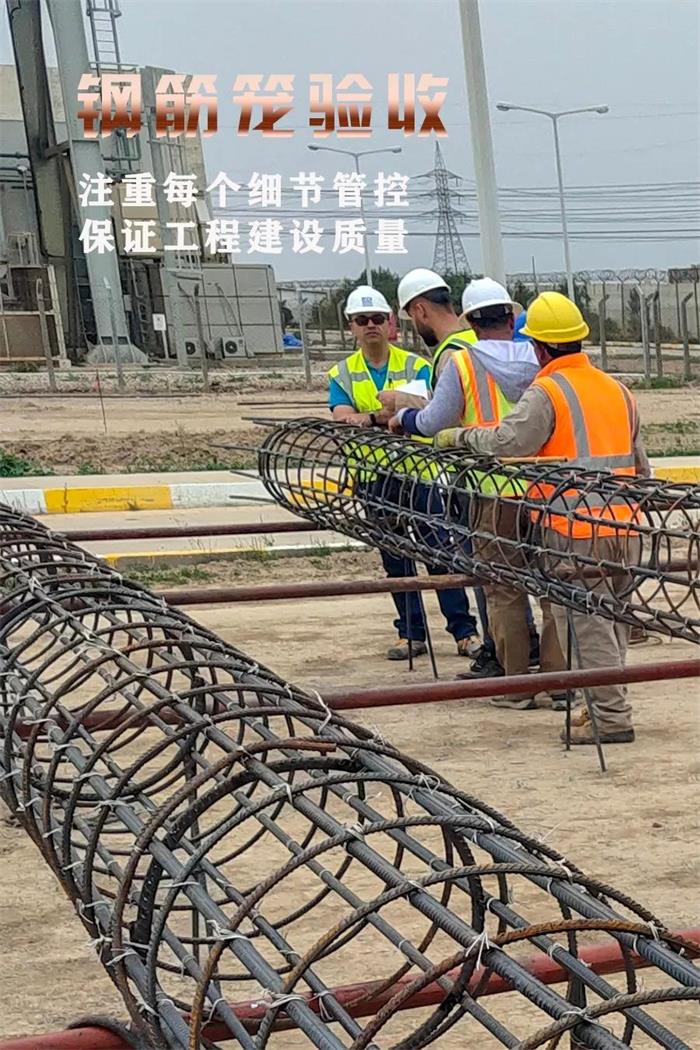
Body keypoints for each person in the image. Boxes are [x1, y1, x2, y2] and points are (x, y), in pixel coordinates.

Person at [435, 291, 649, 745]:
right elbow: (641, 468)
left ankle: (611, 719)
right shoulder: (618, 390)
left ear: (539, 347)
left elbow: (510, 443)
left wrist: (462, 437)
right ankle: (601, 707)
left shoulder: (549, 391)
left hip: (575, 530)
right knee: (612, 623)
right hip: (625, 527)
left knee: (587, 627)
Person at [388, 278, 566, 703]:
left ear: (471, 321)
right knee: (553, 587)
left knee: (503, 589)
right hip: (544, 489)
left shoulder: (464, 363)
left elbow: (434, 422)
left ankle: (516, 686)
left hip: (492, 491)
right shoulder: (541, 359)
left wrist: (403, 419)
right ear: (510, 316)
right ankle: (560, 684)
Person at [328, 285, 482, 662]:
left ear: (390, 322)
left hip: (418, 474)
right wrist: (389, 416)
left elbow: (431, 410)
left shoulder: (417, 365)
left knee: (439, 551)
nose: (371, 325)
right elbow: (342, 418)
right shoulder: (342, 373)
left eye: (378, 318)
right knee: (395, 558)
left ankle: (464, 631)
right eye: (362, 320)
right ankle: (411, 634)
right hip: (373, 478)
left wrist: (374, 418)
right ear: (351, 326)